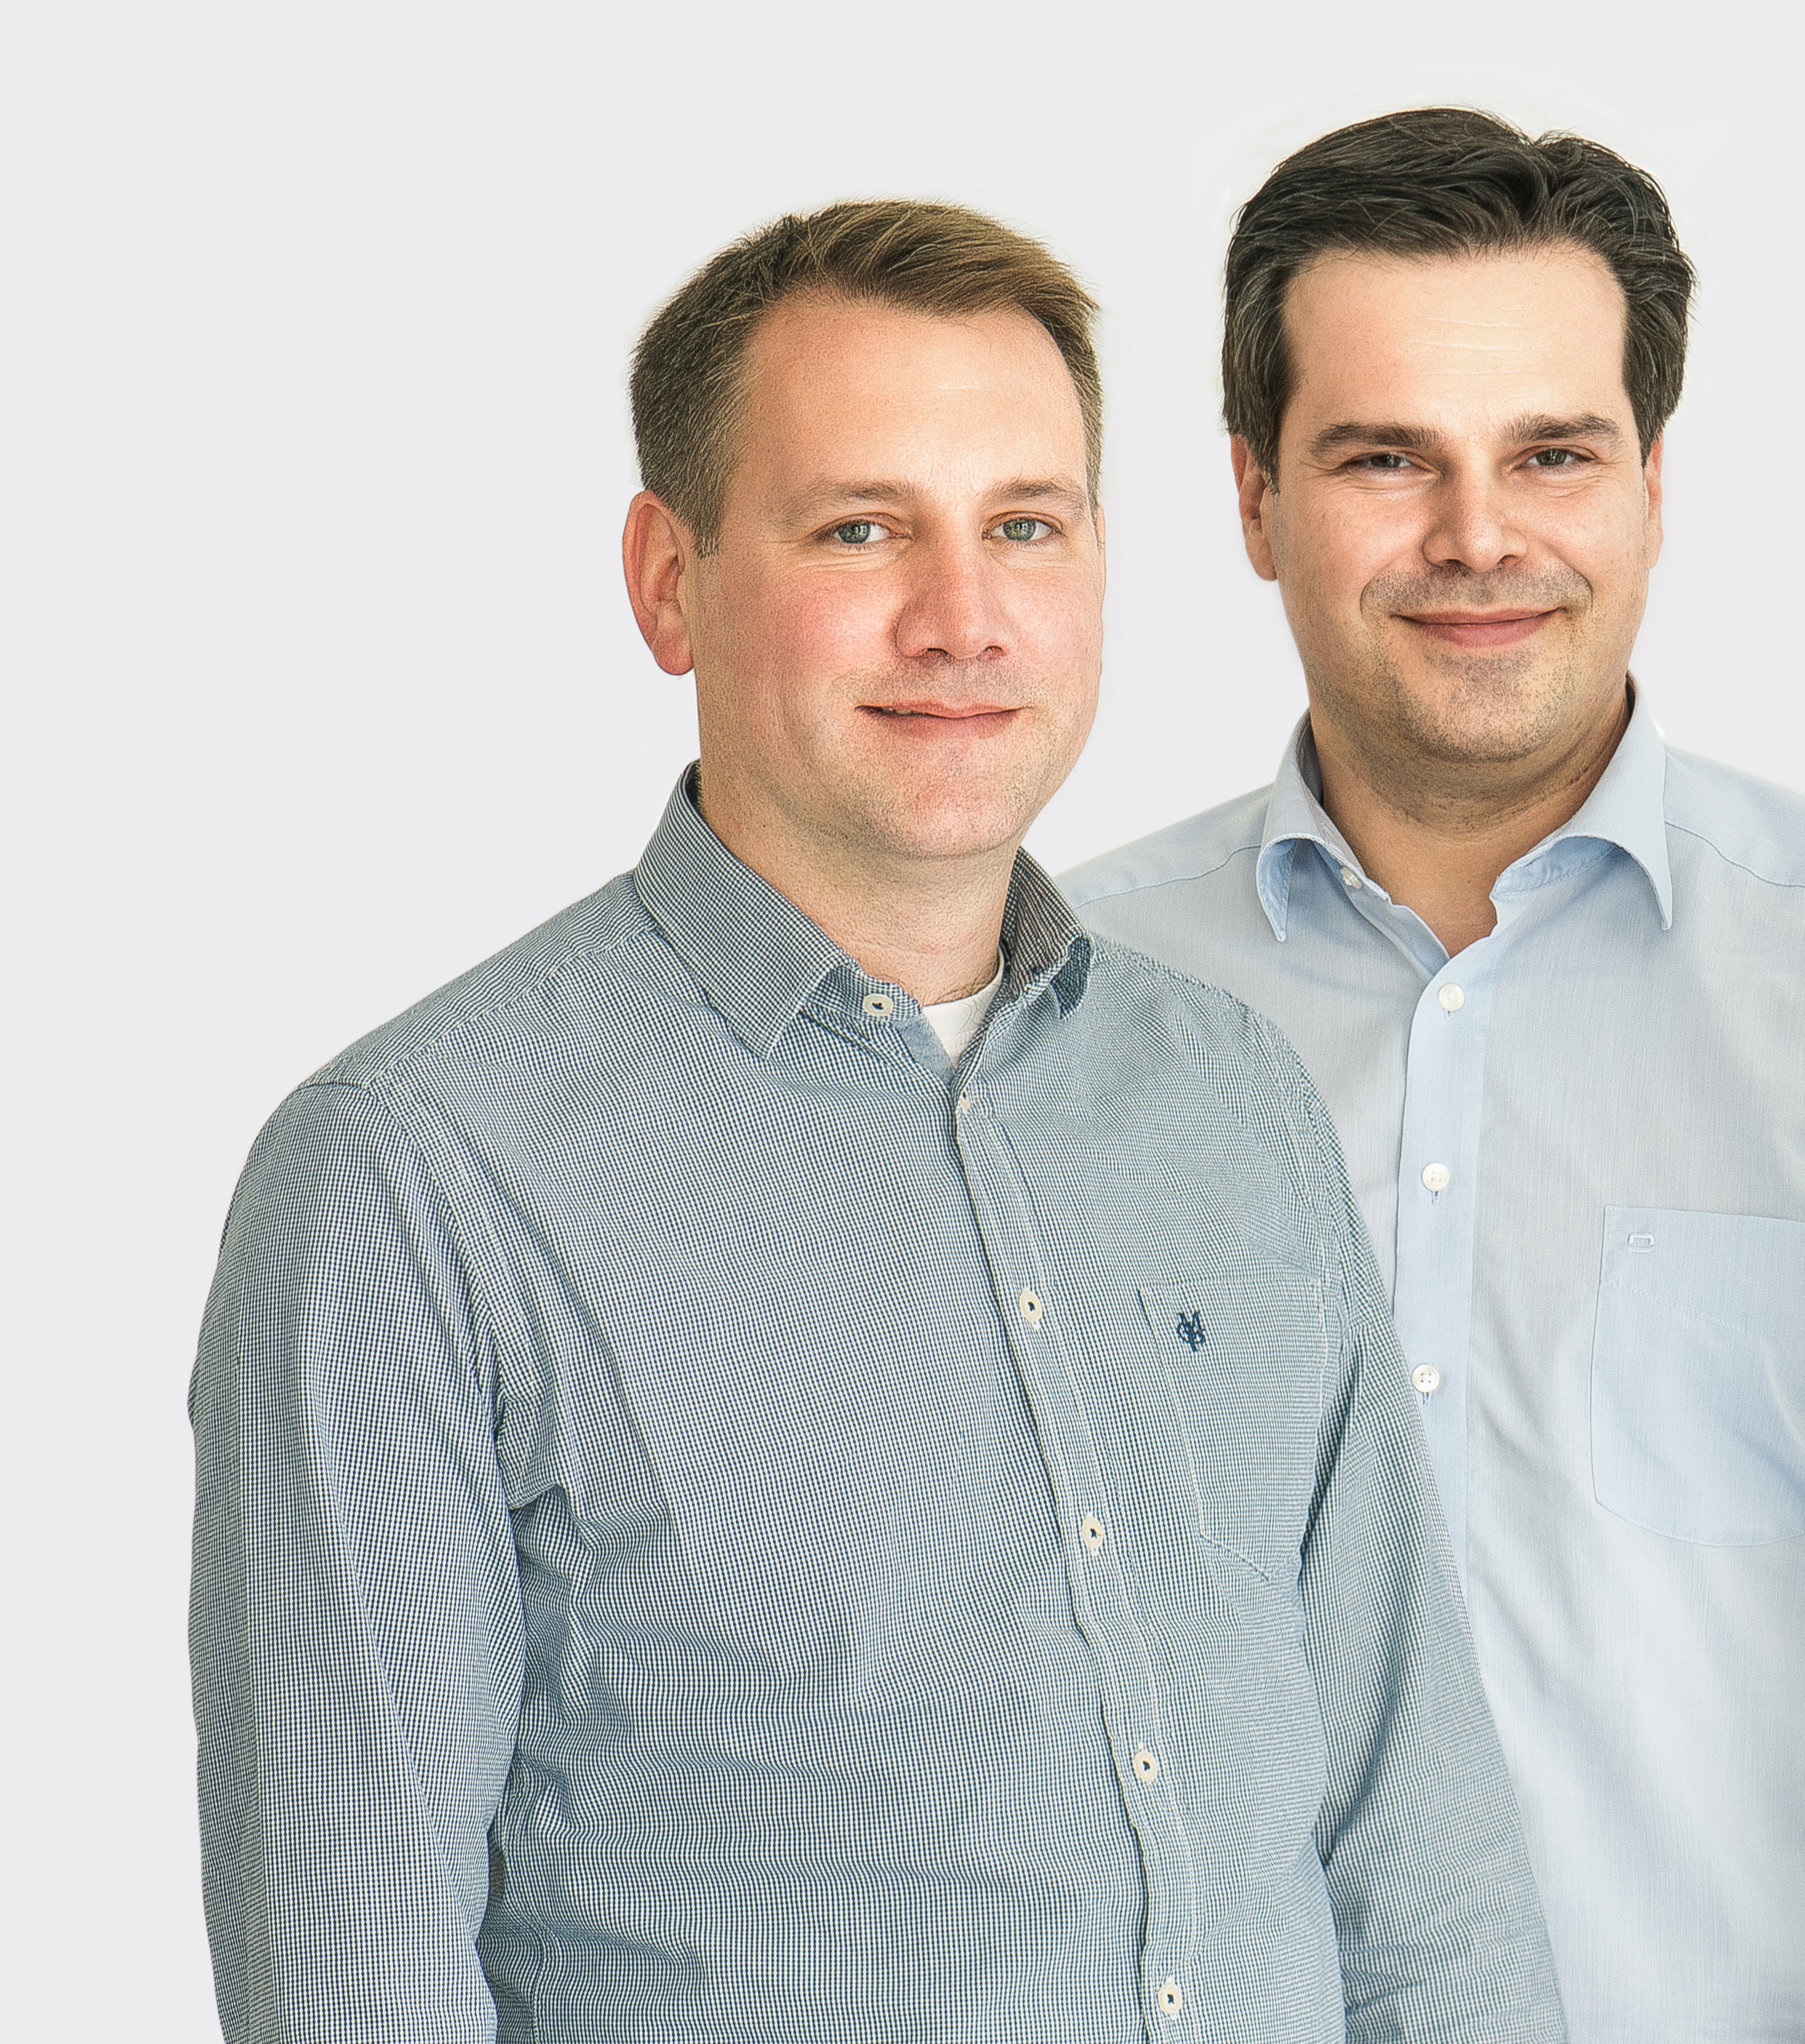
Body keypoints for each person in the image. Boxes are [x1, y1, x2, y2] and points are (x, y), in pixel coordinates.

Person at [190, 200, 1561, 2044]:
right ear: (667, 580)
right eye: (861, 529)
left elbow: (1420, 1862)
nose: (963, 619)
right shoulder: (415, 1181)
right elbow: (355, 1985)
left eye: (1024, 525)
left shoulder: (1230, 1101)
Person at [1067, 110, 1805, 2043]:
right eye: (1384, 459)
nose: (1479, 536)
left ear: (1649, 489)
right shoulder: (1047, 1009)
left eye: (1552, 453)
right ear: (1248, 499)